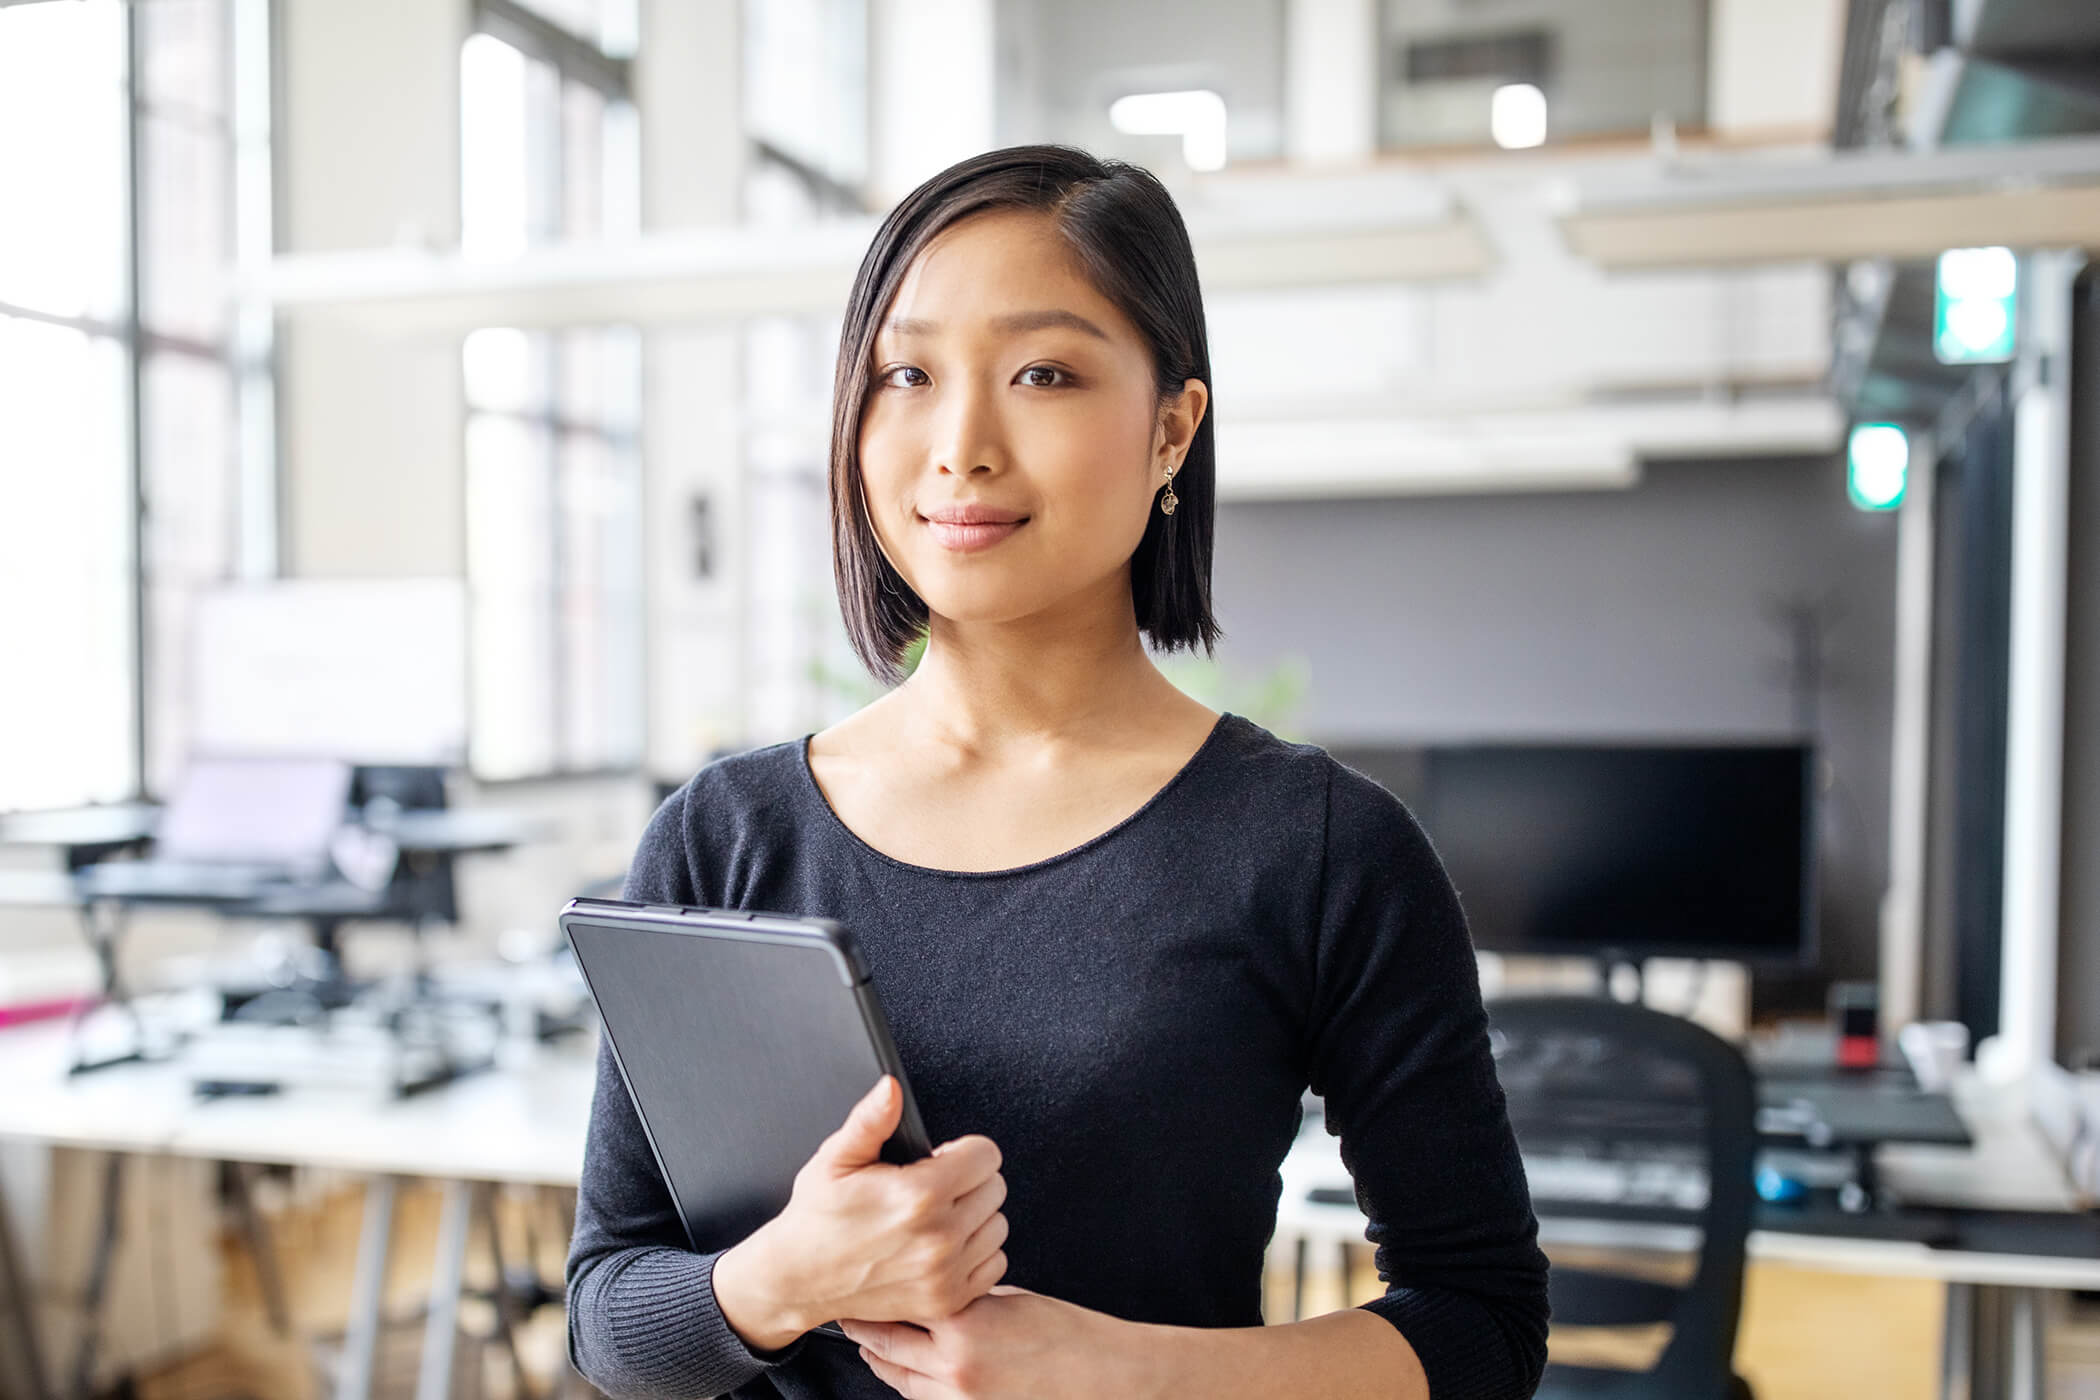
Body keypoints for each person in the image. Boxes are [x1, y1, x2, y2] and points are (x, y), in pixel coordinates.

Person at [566, 144, 1550, 1400]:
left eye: (1043, 372)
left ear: (1172, 428)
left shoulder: (1319, 850)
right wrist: (784, 1279)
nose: (961, 444)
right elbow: (609, 1316)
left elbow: (1482, 1324)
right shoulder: (724, 834)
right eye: (907, 373)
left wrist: (1123, 1370)